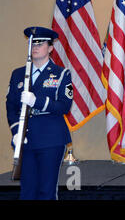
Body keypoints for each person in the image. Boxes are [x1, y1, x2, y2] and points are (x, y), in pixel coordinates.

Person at [6, 27, 72, 200]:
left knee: (46, 191)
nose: (34, 47)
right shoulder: (18, 74)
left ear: (50, 47)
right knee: (27, 192)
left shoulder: (61, 74)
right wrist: (16, 131)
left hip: (51, 139)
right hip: (25, 139)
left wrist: (37, 101)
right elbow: (11, 106)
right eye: (31, 43)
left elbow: (64, 106)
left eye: (40, 43)